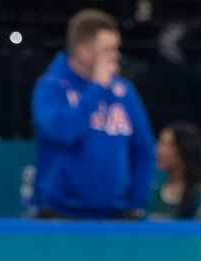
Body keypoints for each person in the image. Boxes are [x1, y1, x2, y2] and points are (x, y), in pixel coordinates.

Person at [30, 8, 155, 220]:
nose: (116, 56)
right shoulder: (51, 87)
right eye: (108, 50)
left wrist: (137, 201)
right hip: (60, 214)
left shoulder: (125, 91)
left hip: (116, 215)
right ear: (83, 52)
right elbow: (65, 132)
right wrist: (96, 88)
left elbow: (143, 148)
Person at [145, 121, 201, 220]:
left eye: (168, 145)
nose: (159, 150)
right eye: (159, 143)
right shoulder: (152, 190)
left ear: (184, 150)